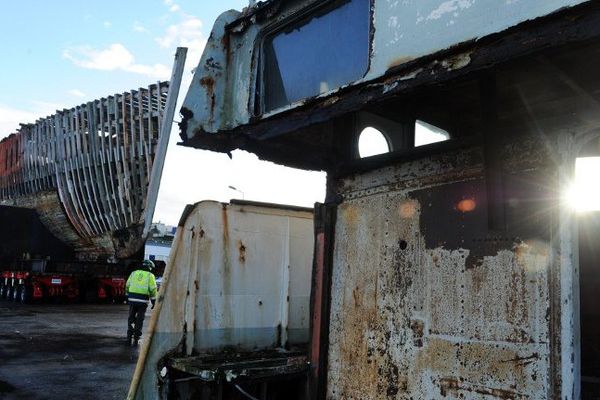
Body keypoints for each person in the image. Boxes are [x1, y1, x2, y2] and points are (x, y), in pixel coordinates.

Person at [125, 259, 157, 346]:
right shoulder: (150, 275)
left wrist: (127, 296)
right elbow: (153, 289)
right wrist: (154, 301)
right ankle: (136, 337)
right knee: (139, 319)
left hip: (132, 299)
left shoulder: (133, 273)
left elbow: (127, 285)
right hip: (142, 301)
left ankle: (129, 336)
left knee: (131, 317)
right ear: (150, 267)